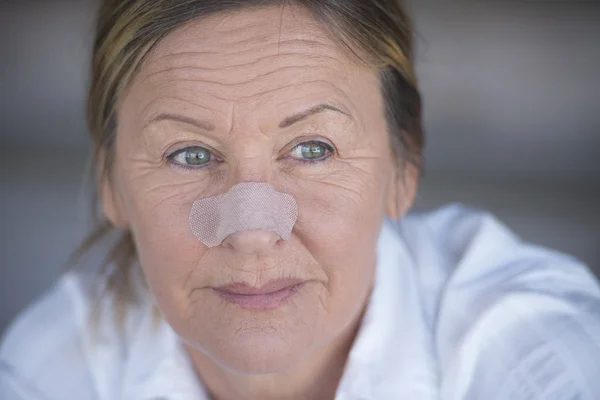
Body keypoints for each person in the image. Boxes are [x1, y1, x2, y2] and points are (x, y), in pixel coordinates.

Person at [1, 1, 599, 399]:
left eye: (312, 149)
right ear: (111, 182)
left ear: (404, 166)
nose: (253, 232)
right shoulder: (53, 368)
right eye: (189, 155)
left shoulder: (524, 347)